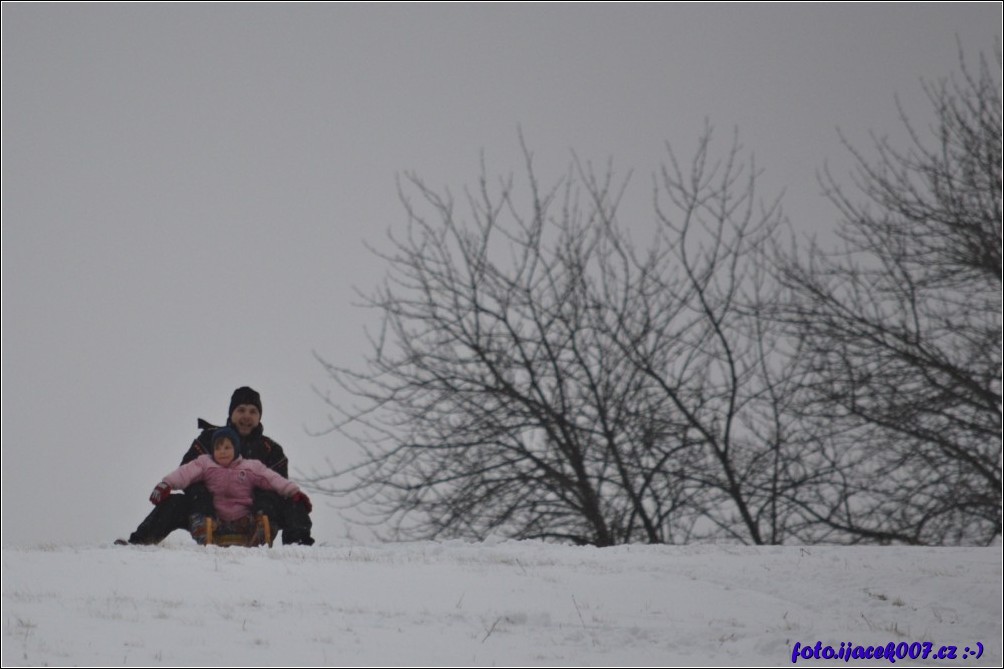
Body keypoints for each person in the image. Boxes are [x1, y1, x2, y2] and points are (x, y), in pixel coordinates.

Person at [122, 386, 315, 545]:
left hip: (253, 516)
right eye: (241, 410)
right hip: (207, 513)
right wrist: (201, 501)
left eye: (252, 411)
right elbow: (187, 472)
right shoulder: (209, 440)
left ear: (259, 417)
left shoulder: (271, 449)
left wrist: (265, 506)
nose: (246, 416)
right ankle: (139, 543)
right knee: (174, 503)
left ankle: (299, 548)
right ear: (231, 414)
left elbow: (277, 484)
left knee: (294, 502)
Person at [149, 426, 309, 536]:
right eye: (218, 448)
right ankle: (143, 539)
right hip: (214, 518)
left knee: (277, 506)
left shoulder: (250, 467)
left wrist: (292, 491)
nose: (222, 452)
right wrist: (167, 483)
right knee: (175, 503)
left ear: (236, 449)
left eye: (227, 447)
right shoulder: (205, 463)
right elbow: (186, 473)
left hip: (243, 517)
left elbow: (272, 479)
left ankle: (287, 542)